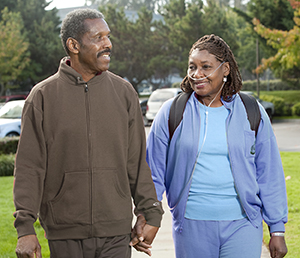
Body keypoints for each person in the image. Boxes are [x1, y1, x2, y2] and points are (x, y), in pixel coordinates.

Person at [13, 8, 163, 258]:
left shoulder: (124, 93)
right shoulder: (42, 97)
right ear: (73, 45)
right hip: (65, 233)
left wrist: (150, 211)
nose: (108, 44)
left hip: (115, 232)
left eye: (108, 36)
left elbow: (136, 163)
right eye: (98, 38)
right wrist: (25, 228)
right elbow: (30, 167)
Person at [146, 34, 288, 258]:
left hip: (243, 225)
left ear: (225, 69)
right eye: (192, 67)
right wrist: (149, 216)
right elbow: (153, 172)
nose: (197, 74)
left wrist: (277, 229)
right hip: (191, 224)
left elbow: (269, 173)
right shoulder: (172, 112)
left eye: (206, 67)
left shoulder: (252, 111)